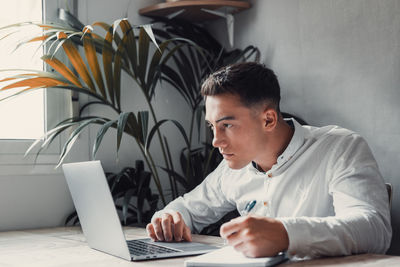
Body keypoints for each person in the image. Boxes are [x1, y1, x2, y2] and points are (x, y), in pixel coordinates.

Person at [146, 62, 392, 258]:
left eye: (227, 125)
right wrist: (169, 217)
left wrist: (286, 234)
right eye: (212, 126)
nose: (215, 140)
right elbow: (187, 208)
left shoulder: (341, 147)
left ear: (269, 120)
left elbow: (374, 229)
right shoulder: (234, 167)